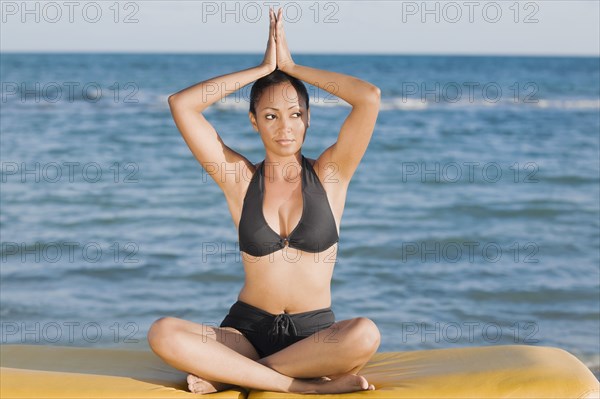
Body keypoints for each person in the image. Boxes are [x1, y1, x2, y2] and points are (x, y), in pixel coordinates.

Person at [147, 7, 381, 395]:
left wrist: (291, 65)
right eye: (270, 116)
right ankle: (306, 387)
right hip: (246, 330)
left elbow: (368, 98)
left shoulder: (330, 175)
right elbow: (182, 104)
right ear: (253, 121)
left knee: (364, 334)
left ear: (308, 119)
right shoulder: (239, 179)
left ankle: (234, 374)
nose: (285, 127)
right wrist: (260, 70)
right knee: (164, 332)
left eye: (295, 114)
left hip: (315, 334)